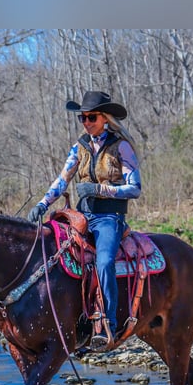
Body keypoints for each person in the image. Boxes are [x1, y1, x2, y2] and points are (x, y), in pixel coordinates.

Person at [27, 91, 141, 349]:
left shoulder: (120, 146)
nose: (86, 122)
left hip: (109, 217)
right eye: (82, 118)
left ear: (105, 119)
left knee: (104, 262)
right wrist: (43, 204)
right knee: (53, 256)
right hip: (81, 215)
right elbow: (62, 179)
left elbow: (135, 187)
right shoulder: (79, 147)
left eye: (91, 117)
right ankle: (70, 319)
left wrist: (101, 190)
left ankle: (109, 322)